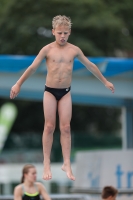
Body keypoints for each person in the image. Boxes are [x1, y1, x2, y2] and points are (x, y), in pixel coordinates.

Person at [10, 15, 115, 181]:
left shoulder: (74, 50)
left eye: (66, 33)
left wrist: (105, 81)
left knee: (66, 128)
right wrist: (18, 84)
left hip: (65, 92)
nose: (63, 36)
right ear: (53, 32)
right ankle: (46, 162)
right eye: (59, 33)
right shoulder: (47, 50)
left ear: (70, 32)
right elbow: (32, 68)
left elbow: (91, 66)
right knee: (49, 126)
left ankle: (67, 163)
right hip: (50, 92)